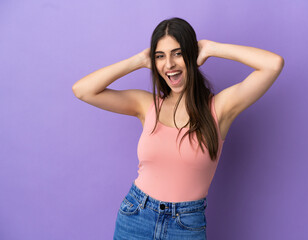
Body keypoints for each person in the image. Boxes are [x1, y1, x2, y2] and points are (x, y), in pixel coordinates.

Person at [72, 17, 284, 240]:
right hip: (136, 215)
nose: (169, 64)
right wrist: (138, 60)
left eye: (178, 53)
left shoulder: (220, 109)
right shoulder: (147, 105)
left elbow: (273, 65)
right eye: (160, 56)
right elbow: (83, 90)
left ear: (192, 55)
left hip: (186, 225)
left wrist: (212, 48)